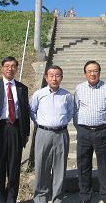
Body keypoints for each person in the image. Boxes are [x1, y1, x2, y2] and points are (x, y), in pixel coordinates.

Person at [0, 56, 30, 203]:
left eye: (13, 66)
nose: (10, 69)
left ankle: (11, 199)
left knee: (14, 168)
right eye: (7, 66)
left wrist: (26, 133)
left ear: (16, 68)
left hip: (15, 129)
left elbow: (25, 112)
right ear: (2, 68)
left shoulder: (22, 88)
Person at [73, 60, 106, 203]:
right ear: (85, 73)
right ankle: (85, 195)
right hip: (84, 132)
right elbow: (75, 110)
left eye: (95, 71)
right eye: (89, 71)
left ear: (99, 72)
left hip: (102, 131)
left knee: (105, 165)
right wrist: (79, 128)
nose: (92, 73)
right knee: (83, 165)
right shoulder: (79, 88)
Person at [30, 65, 74, 203]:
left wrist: (60, 123)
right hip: (44, 134)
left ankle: (57, 198)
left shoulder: (67, 95)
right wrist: (42, 122)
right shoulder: (39, 94)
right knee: (42, 166)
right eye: (51, 75)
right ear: (46, 77)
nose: (54, 78)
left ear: (61, 77)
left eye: (57, 75)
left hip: (61, 134)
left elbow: (71, 112)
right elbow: (32, 111)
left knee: (60, 167)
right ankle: (41, 197)